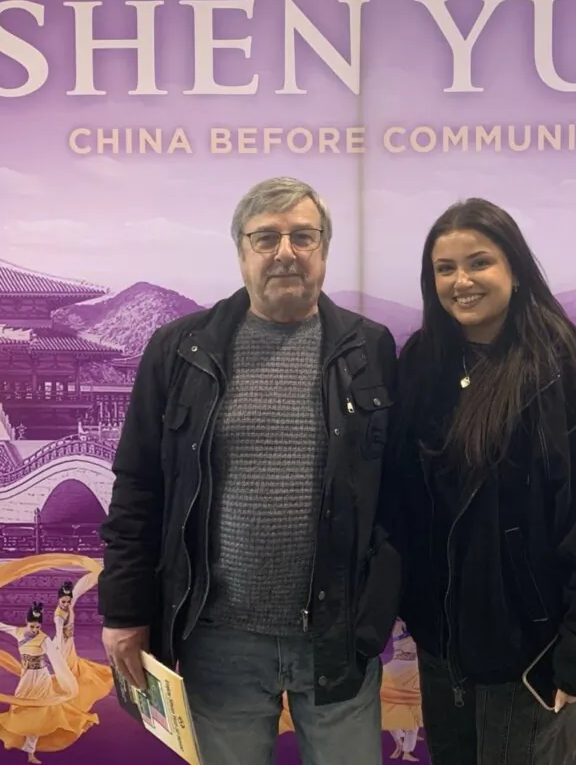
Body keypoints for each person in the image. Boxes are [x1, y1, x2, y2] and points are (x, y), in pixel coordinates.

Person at [98, 176, 401, 765]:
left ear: (323, 251)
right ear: (241, 251)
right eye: (266, 238)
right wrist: (125, 610)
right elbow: (139, 486)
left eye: (302, 237)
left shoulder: (371, 348)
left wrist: (379, 602)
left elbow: (394, 491)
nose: (285, 252)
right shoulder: (178, 350)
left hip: (337, 636)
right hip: (218, 636)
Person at [386, 198, 576, 764]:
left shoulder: (556, 369)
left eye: (479, 262)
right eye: (445, 269)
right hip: (445, 651)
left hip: (530, 659)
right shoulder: (423, 363)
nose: (461, 281)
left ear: (514, 270)